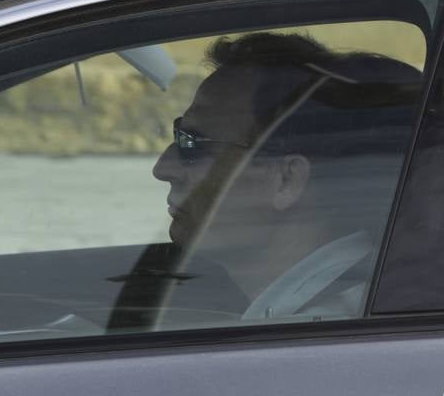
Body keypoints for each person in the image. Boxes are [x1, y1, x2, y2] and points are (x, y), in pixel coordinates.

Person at [151, 32, 422, 321]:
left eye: (192, 144)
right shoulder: (351, 304)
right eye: (180, 135)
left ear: (286, 180)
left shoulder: (319, 333)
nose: (163, 168)